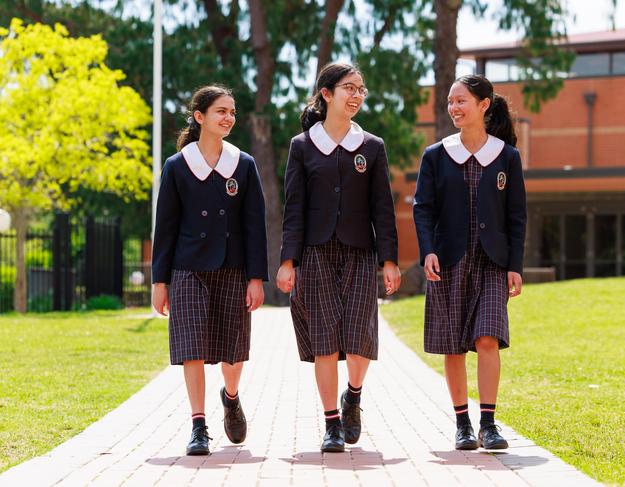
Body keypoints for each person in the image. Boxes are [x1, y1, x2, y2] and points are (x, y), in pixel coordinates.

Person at [277, 62, 401, 453]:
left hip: (361, 251)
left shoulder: (372, 146)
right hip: (315, 252)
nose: (357, 95)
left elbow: (384, 207)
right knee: (325, 337)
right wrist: (287, 260)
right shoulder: (301, 146)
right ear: (326, 94)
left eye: (361, 89)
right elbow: (293, 208)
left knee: (361, 337)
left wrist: (390, 259)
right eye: (349, 88)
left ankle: (354, 395)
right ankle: (331, 422)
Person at [151, 85, 268, 455]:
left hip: (232, 269)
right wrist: (160, 281)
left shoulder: (244, 164)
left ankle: (230, 398)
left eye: (232, 111)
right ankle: (198, 426)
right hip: (188, 269)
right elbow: (165, 227)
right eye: (221, 111)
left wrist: (255, 278)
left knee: (233, 353)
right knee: (192, 349)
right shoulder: (177, 166)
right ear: (200, 117)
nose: (228, 118)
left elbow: (255, 226)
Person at [413, 74, 526, 451]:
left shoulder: (507, 156)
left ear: (484, 104)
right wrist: (427, 249)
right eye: (450, 102)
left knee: (488, 338)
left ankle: (488, 424)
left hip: (492, 262)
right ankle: (462, 424)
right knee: (453, 346)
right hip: (448, 261)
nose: (454, 108)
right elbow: (423, 209)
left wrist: (515, 265)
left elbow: (517, 216)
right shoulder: (436, 155)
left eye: (461, 101)